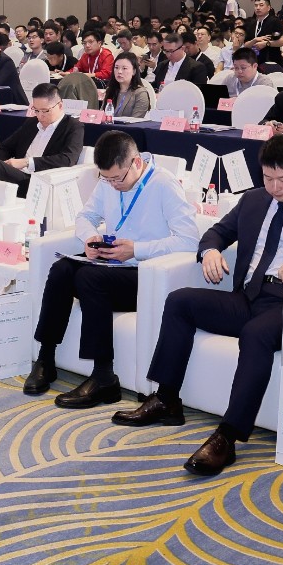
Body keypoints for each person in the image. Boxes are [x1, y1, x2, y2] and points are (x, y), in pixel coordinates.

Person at [112, 135, 283, 474]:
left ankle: (227, 436)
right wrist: (210, 251)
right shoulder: (253, 200)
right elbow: (215, 233)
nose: (275, 187)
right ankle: (167, 399)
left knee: (256, 334)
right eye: (268, 178)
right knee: (180, 301)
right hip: (247, 297)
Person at [25, 132, 199, 407]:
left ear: (136, 163)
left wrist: (137, 249)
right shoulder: (108, 182)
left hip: (146, 274)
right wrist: (90, 237)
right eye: (106, 179)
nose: (113, 185)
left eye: (118, 178)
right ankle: (46, 358)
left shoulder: (164, 185)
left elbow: (189, 241)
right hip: (112, 265)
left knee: (90, 278)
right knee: (61, 269)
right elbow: (85, 216)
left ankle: (104, 376)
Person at [0, 83, 84, 196]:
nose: (40, 116)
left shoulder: (73, 126)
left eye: (45, 111)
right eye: (36, 110)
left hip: (39, 181)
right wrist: (3, 165)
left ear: (60, 105)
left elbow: (67, 159)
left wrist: (27, 162)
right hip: (19, 176)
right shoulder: (32, 123)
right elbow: (5, 147)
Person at [102, 53, 154, 119]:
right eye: (116, 67)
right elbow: (102, 116)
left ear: (134, 71)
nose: (119, 71)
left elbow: (136, 121)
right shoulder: (110, 90)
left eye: (124, 68)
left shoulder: (140, 93)